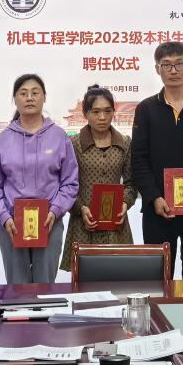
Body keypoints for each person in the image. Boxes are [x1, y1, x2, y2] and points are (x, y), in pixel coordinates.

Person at [131, 42, 183, 279]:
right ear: (157, 69)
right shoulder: (146, 109)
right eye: (166, 65)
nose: (173, 70)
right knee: (158, 277)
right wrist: (154, 197)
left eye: (179, 64)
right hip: (158, 209)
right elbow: (139, 158)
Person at [0, 74, 79, 283]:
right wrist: (4, 217)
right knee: (17, 288)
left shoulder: (60, 137)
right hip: (12, 223)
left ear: (44, 97)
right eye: (23, 93)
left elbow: (70, 182)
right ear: (15, 99)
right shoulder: (2, 140)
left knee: (45, 286)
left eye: (35, 93)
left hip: (49, 222)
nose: (29, 98)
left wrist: (56, 210)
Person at [60, 85, 139, 272]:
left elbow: (131, 183)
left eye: (107, 111)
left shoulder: (125, 143)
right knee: (84, 281)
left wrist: (125, 203)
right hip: (83, 224)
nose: (102, 117)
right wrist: (80, 208)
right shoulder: (73, 144)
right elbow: (65, 185)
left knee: (118, 278)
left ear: (113, 112)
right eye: (95, 112)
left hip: (116, 225)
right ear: (85, 113)